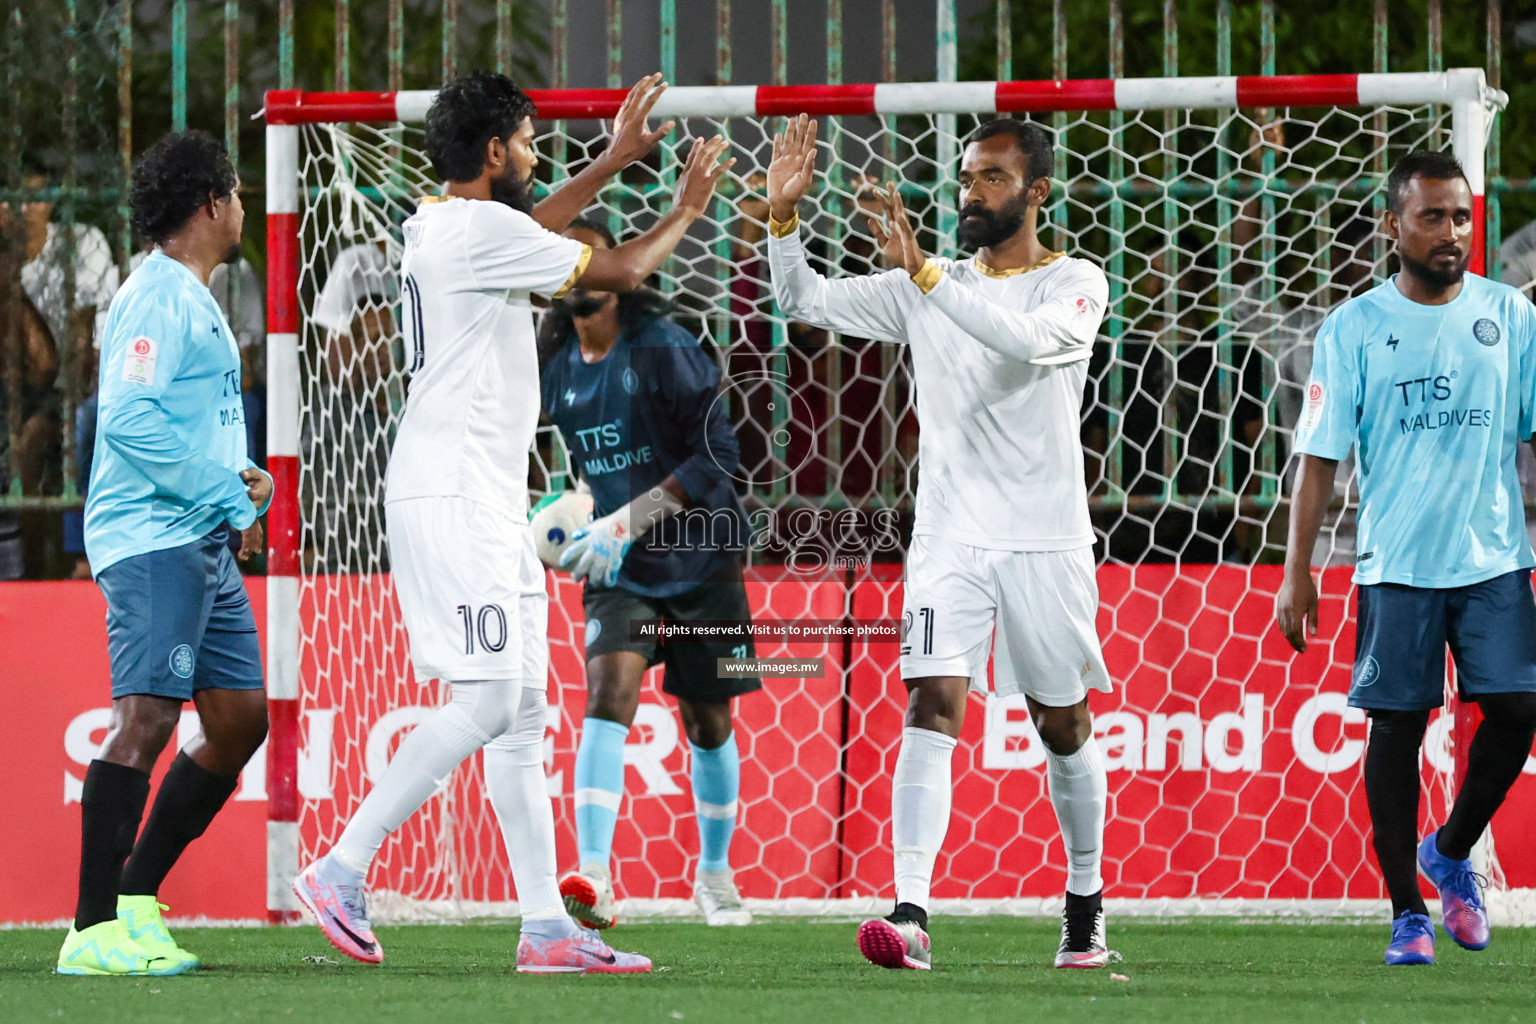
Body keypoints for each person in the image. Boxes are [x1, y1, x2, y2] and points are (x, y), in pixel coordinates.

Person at [292, 71, 734, 974]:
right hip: (454, 495)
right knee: (490, 702)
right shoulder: (479, 229)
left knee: (526, 714)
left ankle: (544, 926)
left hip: (478, 494)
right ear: (494, 152)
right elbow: (618, 269)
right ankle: (342, 866)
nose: (539, 160)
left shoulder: (449, 225)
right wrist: (686, 207)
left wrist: (612, 158)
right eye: (530, 144)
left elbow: (533, 227)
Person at [767, 114, 1115, 970]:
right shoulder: (924, 282)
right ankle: (912, 912)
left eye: (992, 177)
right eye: (966, 176)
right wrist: (782, 221)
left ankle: (1084, 902)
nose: (971, 192)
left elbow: (1026, 344)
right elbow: (802, 300)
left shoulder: (1075, 281)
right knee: (930, 703)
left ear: (1036, 192)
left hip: (1045, 540)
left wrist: (922, 273)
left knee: (1062, 724)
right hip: (951, 537)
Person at [1276, 150, 1536, 966]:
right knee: (1395, 730)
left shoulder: (1512, 316)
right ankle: (1405, 912)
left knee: (1522, 710)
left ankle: (1449, 848)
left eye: (1461, 216)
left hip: (1495, 558)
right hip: (1395, 565)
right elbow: (1318, 457)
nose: (1451, 232)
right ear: (1395, 225)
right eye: (1432, 216)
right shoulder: (1353, 327)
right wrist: (1298, 572)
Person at [56, 130, 273, 976]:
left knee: (239, 720)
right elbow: (132, 422)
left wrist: (237, 476)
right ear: (211, 203)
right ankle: (89, 929)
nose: (245, 207)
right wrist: (223, 492)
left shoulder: (194, 293)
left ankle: (137, 896)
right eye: (238, 193)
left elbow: (181, 416)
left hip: (199, 533)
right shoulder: (154, 296)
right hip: (153, 535)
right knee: (146, 719)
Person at [537, 217, 756, 929]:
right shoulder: (551, 361)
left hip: (702, 557)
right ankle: (593, 874)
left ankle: (716, 876)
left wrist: (627, 518)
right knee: (609, 690)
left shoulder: (663, 348)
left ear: (616, 272)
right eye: (567, 259)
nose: (579, 270)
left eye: (591, 256)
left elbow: (721, 454)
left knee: (708, 720)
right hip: (617, 564)